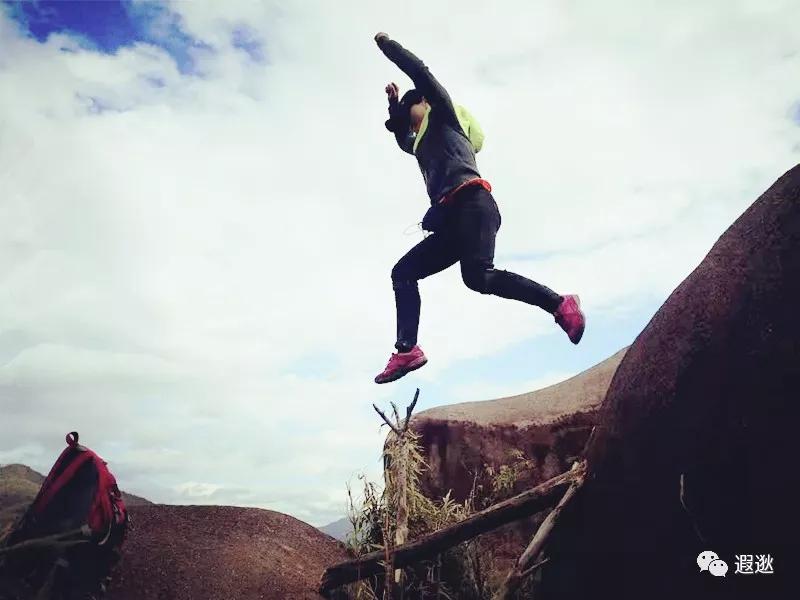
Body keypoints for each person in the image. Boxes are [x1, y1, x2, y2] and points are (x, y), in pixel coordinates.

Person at [373, 32, 585, 384]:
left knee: (479, 275)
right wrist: (394, 109)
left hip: (473, 203)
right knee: (405, 273)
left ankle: (560, 304)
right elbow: (404, 141)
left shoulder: (444, 116)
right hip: (455, 219)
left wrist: (390, 48)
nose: (411, 127)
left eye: (411, 115)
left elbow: (421, 73)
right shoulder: (423, 142)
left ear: (423, 103)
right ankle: (407, 349)